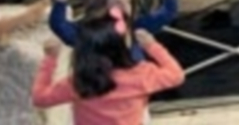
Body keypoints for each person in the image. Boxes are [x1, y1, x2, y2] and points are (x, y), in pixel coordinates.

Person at [32, 21, 184, 125]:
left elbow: (40, 98)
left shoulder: (79, 82)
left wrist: (50, 59)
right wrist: (152, 45)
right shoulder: (141, 74)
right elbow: (176, 75)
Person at [49, 0, 177, 61]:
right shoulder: (87, 35)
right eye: (117, 3)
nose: (125, 7)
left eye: (128, 2)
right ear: (100, 5)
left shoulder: (134, 29)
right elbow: (58, 23)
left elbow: (168, 12)